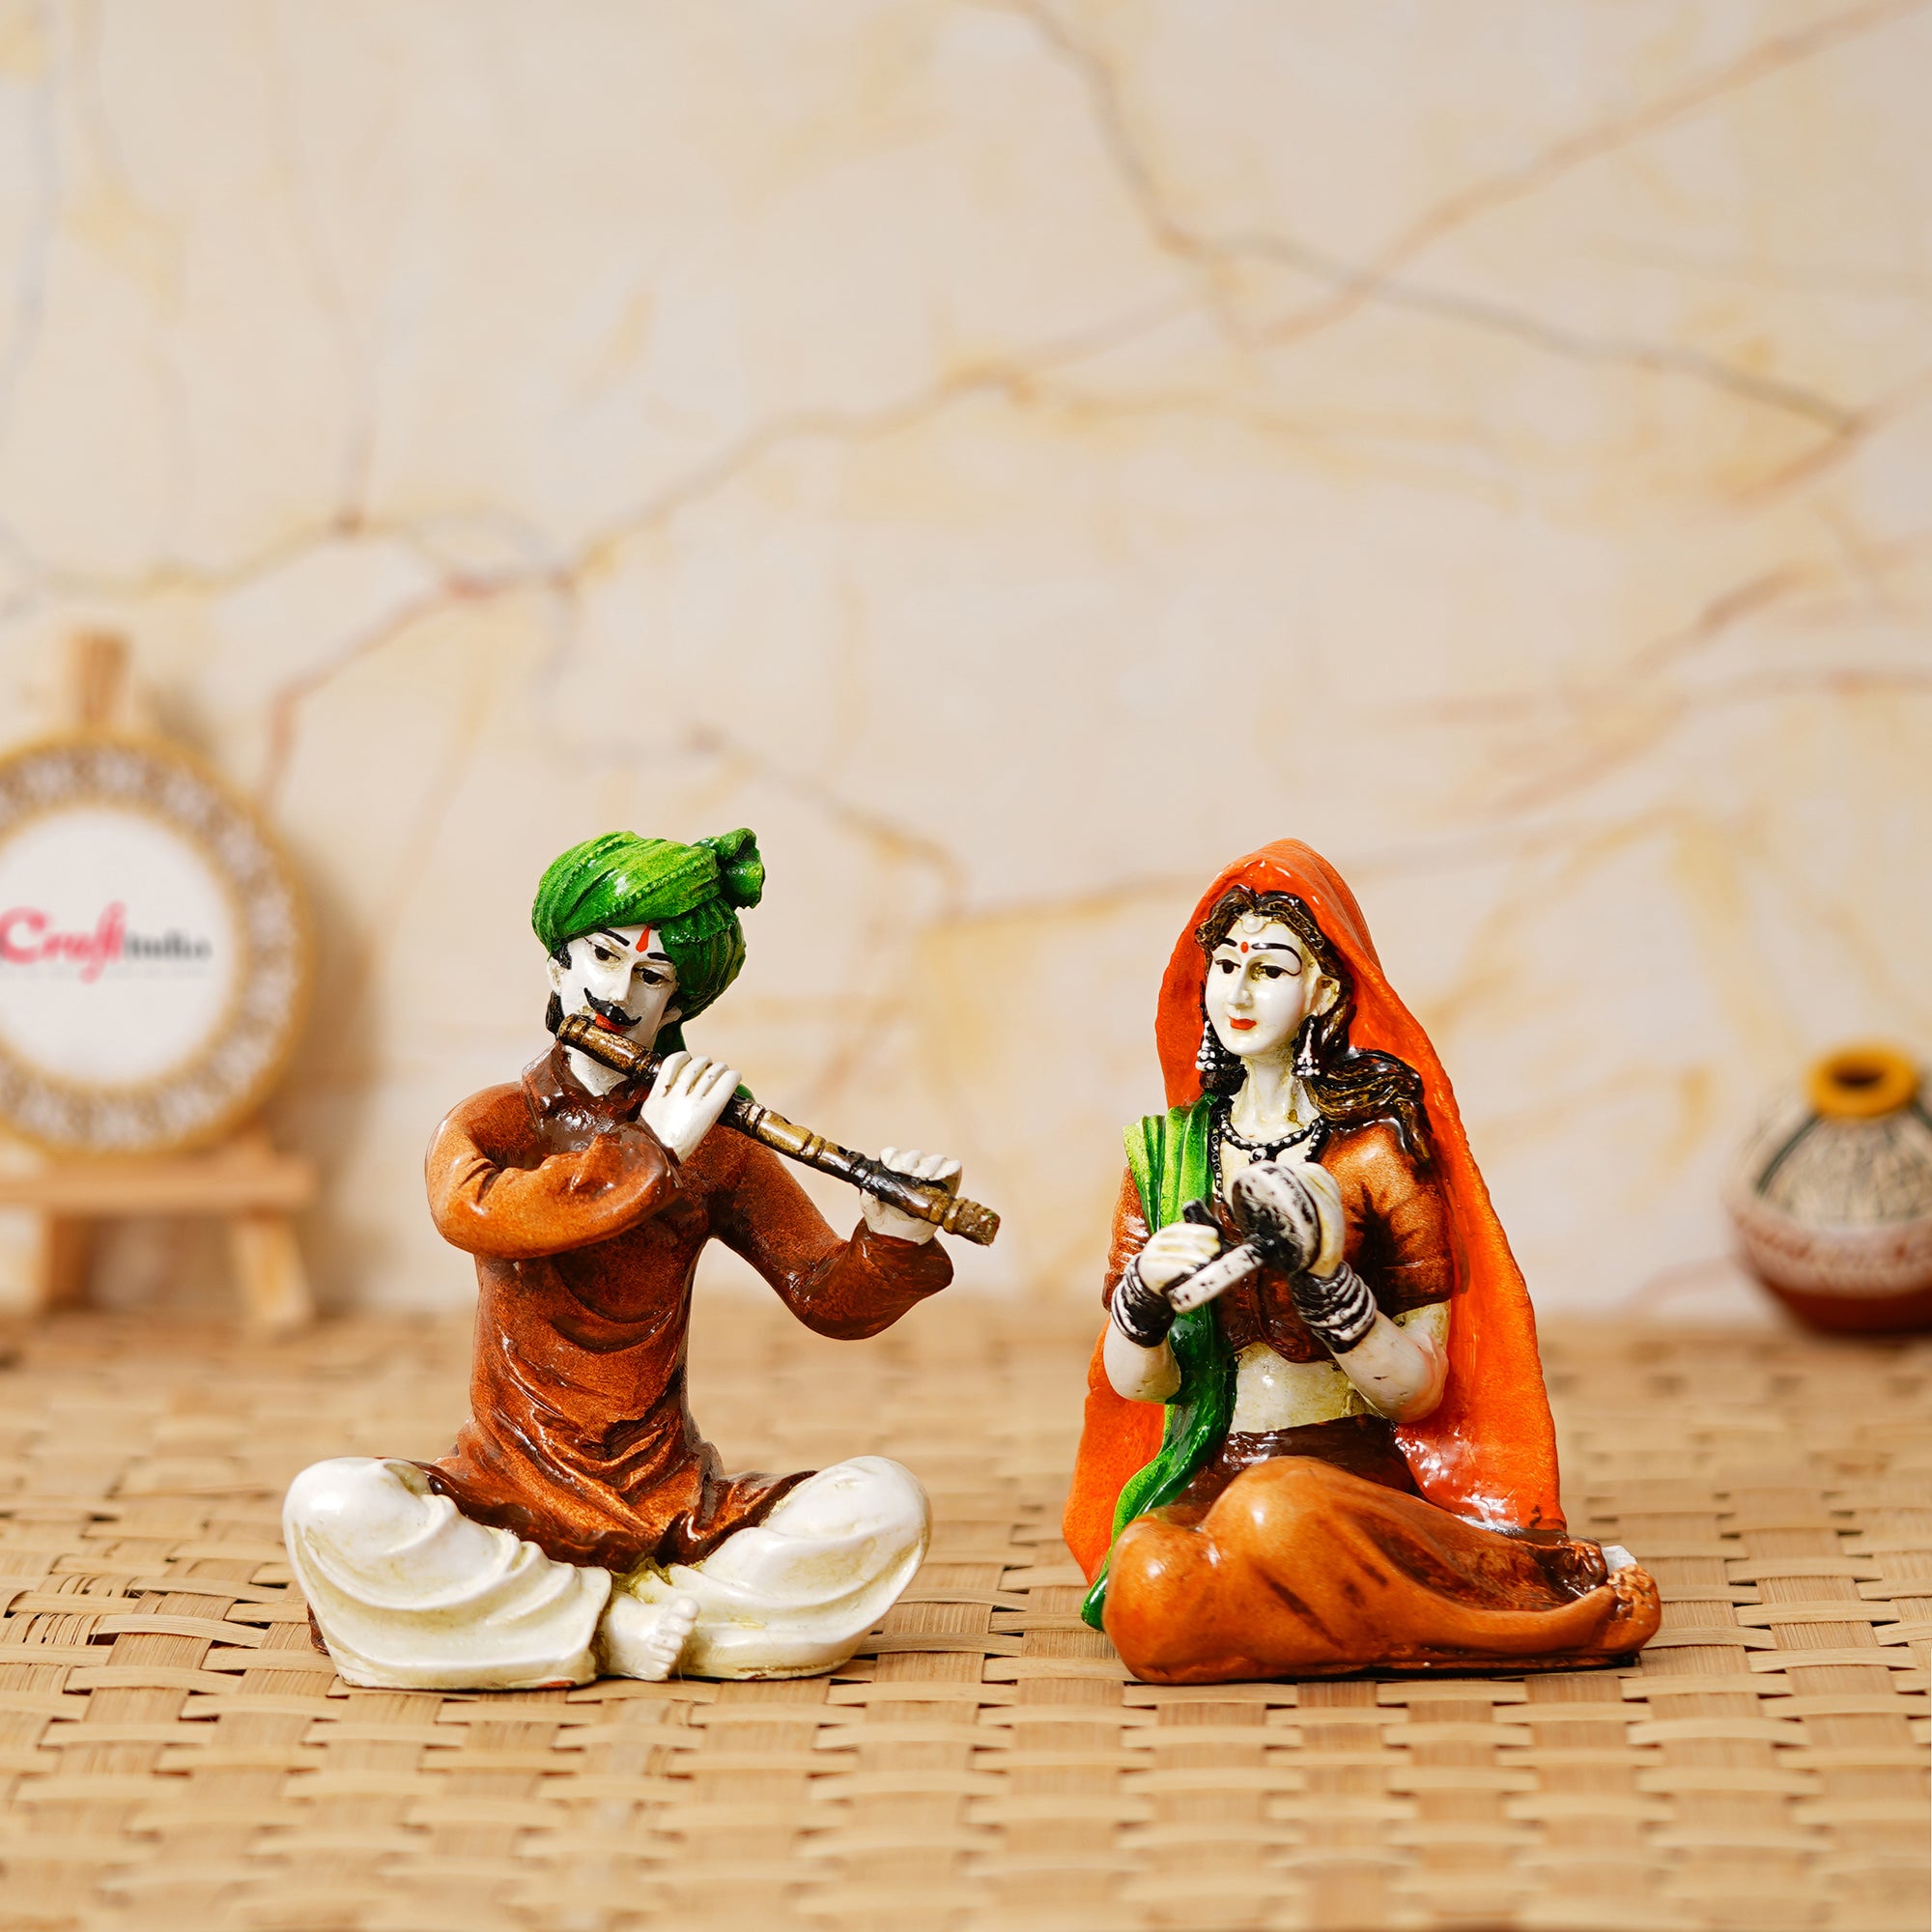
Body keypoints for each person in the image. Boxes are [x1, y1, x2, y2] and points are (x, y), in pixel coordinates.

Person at [284, 828, 963, 1690]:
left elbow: (825, 1295)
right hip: (508, 1491)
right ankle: (611, 1618)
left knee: (886, 1503)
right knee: (332, 1504)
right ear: (556, 967)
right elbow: (474, 1212)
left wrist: (891, 1236)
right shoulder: (499, 1123)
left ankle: (599, 1618)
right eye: (602, 957)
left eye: (652, 977)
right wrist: (652, 1153)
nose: (619, 993)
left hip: (671, 1502)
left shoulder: (718, 1146)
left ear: (676, 1008)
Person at [1064, 839, 1659, 1683]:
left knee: (1276, 1512)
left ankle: (1521, 1625)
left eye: (1269, 969)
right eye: (1225, 965)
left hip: (1341, 1476)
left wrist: (1328, 1282)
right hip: (1215, 1471)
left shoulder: (1375, 1155)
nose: (1238, 988)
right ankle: (1334, 1624)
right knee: (1146, 1593)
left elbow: (1415, 1390)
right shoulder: (1165, 1154)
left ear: (1324, 990)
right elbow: (1142, 1385)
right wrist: (1147, 1299)